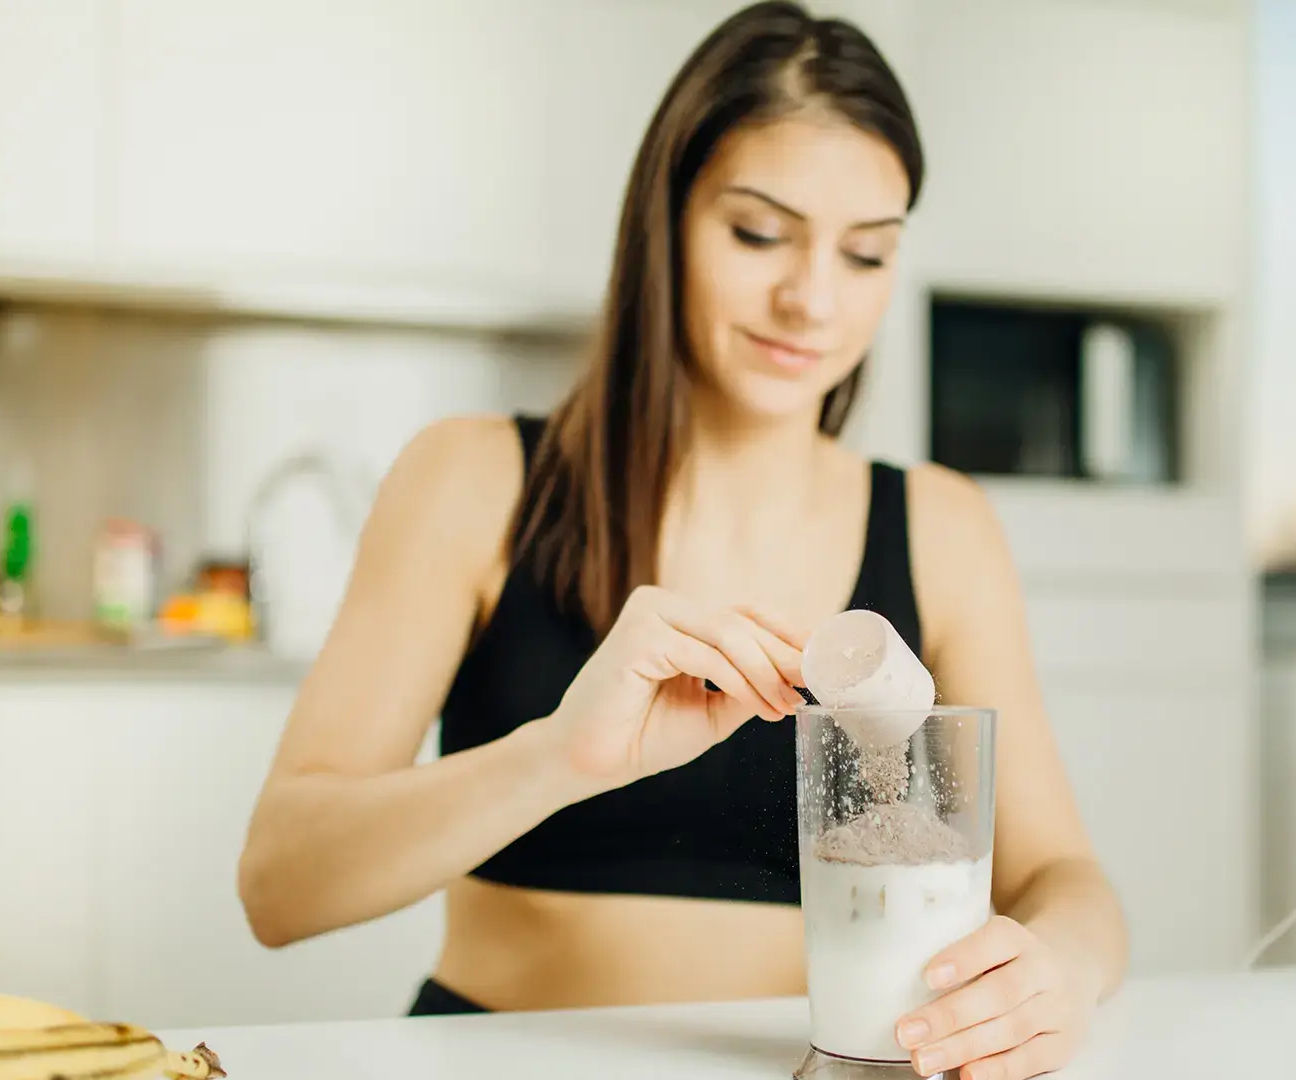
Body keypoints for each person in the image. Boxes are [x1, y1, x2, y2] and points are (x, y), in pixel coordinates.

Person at [236, 3, 1128, 1077]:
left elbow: (1064, 879)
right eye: (759, 233)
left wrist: (1060, 972)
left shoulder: (942, 526)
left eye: (866, 255)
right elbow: (279, 885)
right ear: (666, 220)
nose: (811, 300)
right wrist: (559, 756)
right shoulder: (474, 480)